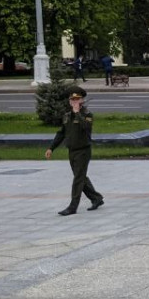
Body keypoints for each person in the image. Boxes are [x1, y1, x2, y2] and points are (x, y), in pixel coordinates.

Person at [45, 88, 104, 216]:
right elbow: (61, 133)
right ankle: (96, 198)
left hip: (83, 151)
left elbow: (86, 127)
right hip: (72, 151)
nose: (74, 101)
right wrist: (51, 148)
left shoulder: (87, 114)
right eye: (72, 99)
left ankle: (73, 206)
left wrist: (77, 113)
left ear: (82, 100)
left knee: (78, 178)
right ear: (69, 101)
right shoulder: (67, 116)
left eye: (77, 99)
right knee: (81, 177)